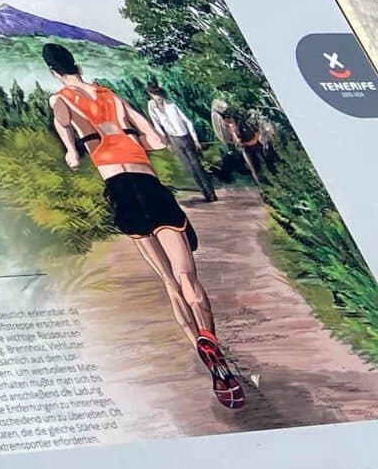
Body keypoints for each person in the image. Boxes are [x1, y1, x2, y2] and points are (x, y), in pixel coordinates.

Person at [47, 44, 244, 409]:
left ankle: (199, 352)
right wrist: (137, 139)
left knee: (168, 281)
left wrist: (73, 150)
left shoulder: (60, 97)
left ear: (54, 71)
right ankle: (214, 347)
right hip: (150, 185)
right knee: (188, 277)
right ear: (76, 65)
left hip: (119, 190)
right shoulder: (112, 96)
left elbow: (66, 133)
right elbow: (155, 139)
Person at [144, 86, 215, 201]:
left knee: (197, 166)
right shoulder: (152, 107)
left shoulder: (172, 106)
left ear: (161, 94)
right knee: (190, 168)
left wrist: (195, 140)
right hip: (173, 139)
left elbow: (187, 122)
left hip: (185, 137)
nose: (157, 97)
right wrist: (166, 142)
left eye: (158, 94)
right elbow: (157, 125)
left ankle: (211, 193)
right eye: (153, 94)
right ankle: (205, 193)